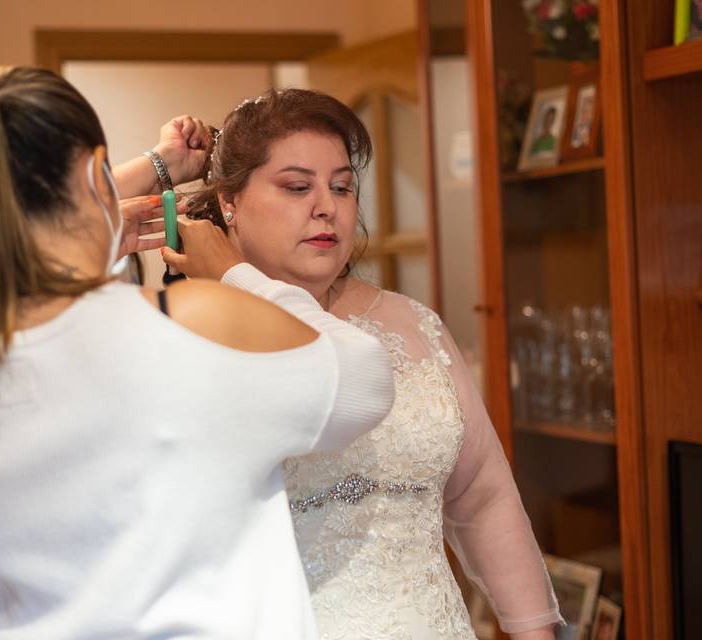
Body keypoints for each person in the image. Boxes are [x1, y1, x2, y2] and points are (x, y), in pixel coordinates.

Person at [0, 67, 394, 639]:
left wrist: (104, 216)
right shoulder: (192, 327)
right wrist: (236, 273)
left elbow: (12, 300)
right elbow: (366, 381)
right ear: (93, 172)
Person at [164, 88, 563, 639]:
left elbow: (484, 494)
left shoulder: (413, 323)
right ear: (229, 203)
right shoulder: (192, 333)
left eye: (343, 186)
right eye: (297, 186)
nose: (326, 206)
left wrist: (533, 632)